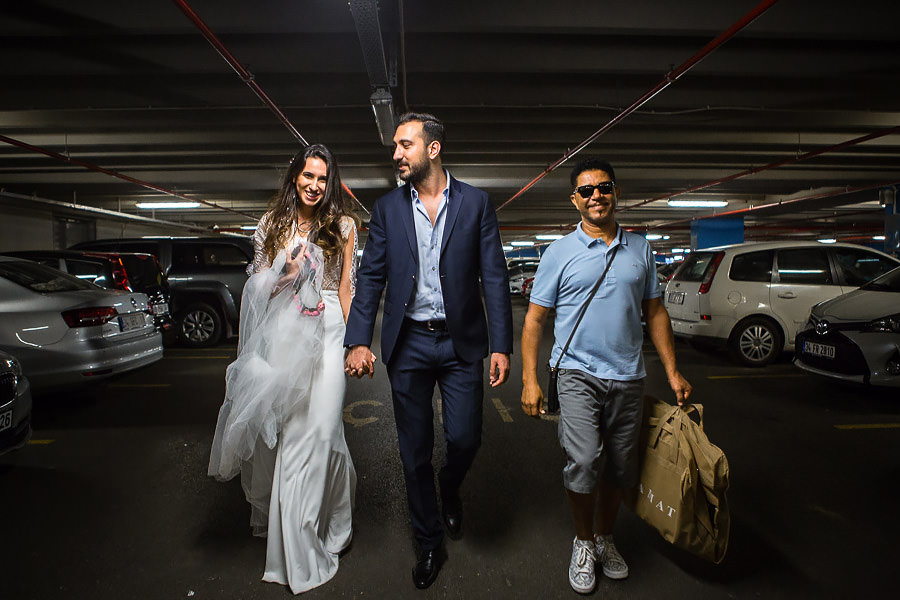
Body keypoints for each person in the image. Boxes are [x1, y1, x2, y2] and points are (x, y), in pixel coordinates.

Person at [343, 112, 513, 589]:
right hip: (410, 342)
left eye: (404, 145)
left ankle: (450, 486)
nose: (395, 154)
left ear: (432, 149)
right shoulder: (387, 209)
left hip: (462, 344)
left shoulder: (476, 203)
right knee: (413, 452)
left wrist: (501, 345)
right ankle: (429, 541)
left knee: (464, 439)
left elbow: (494, 277)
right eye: (395, 146)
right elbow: (372, 276)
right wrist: (358, 338)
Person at [520, 158, 692, 594]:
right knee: (583, 460)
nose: (596, 195)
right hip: (577, 372)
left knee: (619, 466)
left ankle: (604, 538)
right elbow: (535, 321)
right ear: (574, 199)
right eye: (586, 190)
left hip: (628, 375)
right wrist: (530, 380)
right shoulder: (559, 253)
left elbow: (655, 312)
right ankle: (582, 541)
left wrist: (672, 372)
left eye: (604, 187)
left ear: (616, 192)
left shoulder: (641, 248)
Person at [208, 144, 359, 594]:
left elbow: (348, 288)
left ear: (330, 183)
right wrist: (282, 274)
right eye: (307, 176)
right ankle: (297, 545)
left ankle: (336, 520)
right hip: (286, 334)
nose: (314, 185)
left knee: (326, 430)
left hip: (330, 327)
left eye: (322, 179)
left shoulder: (344, 226)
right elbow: (255, 290)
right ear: (295, 177)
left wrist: (356, 342)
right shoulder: (270, 225)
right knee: (295, 437)